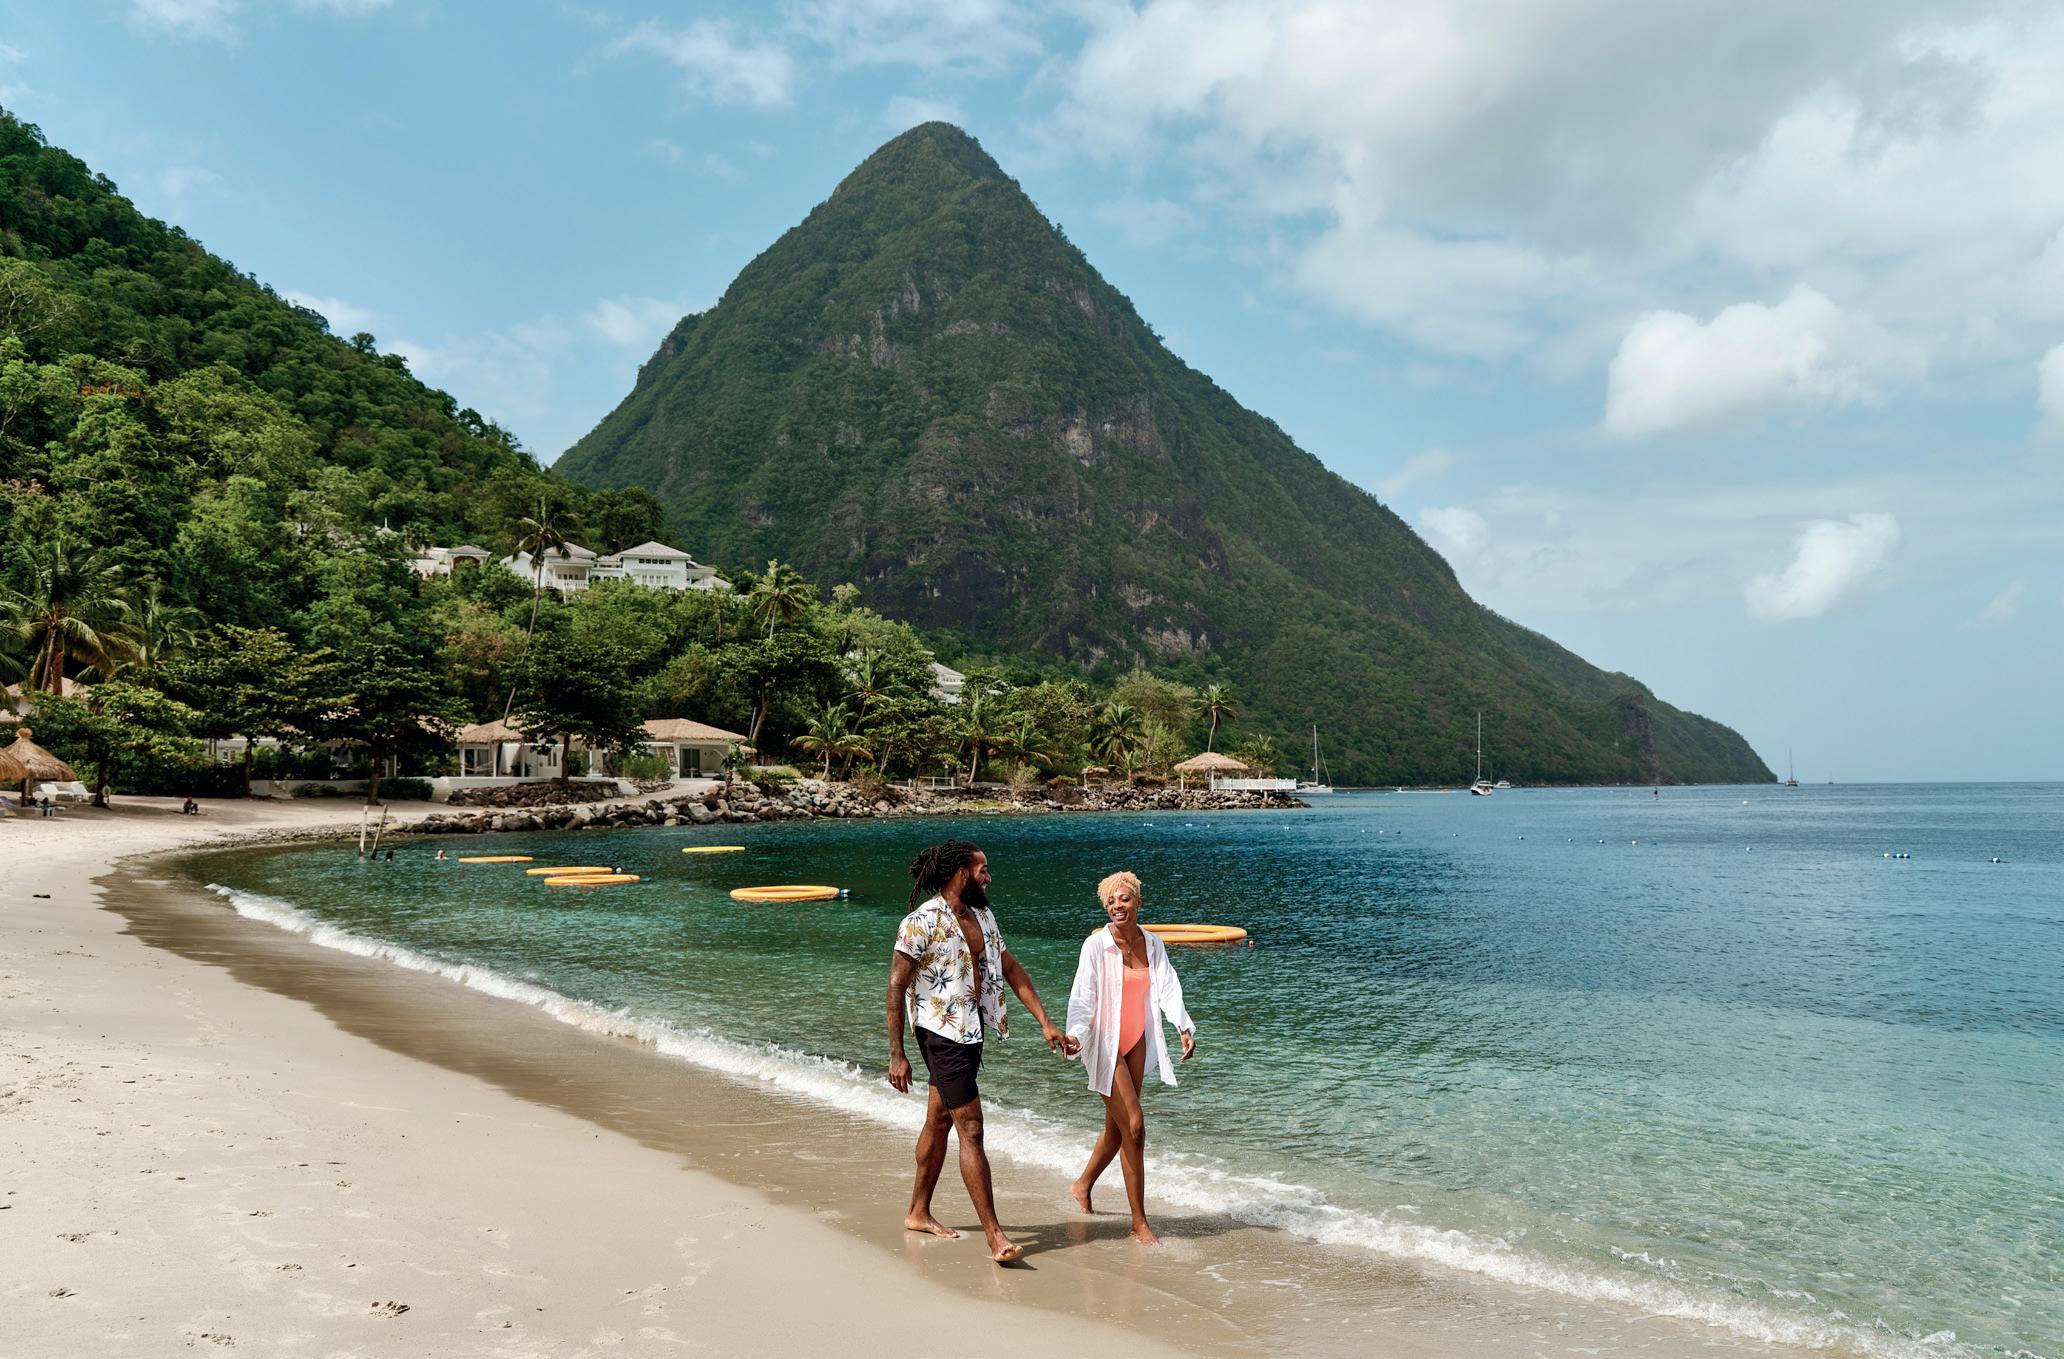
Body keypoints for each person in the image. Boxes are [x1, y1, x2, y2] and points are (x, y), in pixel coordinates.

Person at [886, 838, 1076, 1263]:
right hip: (940, 1033)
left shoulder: (983, 916)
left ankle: (918, 1211)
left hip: (972, 1031)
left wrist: (1045, 1023)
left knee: (939, 1120)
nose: (988, 877)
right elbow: (896, 985)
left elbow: (1010, 967)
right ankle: (995, 1236)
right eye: (983, 869)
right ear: (962, 874)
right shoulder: (921, 921)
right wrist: (897, 1053)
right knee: (970, 1127)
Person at [1065, 870, 1196, 1245]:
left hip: (1137, 1038)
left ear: (1138, 901)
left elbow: (1168, 985)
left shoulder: (1152, 943)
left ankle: (1082, 1184)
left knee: (1117, 1128)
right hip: (1103, 1041)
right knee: (1135, 1126)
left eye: (1123, 898)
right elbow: (1083, 996)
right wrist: (1076, 1036)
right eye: (1110, 901)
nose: (1116, 906)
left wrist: (1183, 1026)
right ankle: (1139, 1222)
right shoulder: (1096, 946)